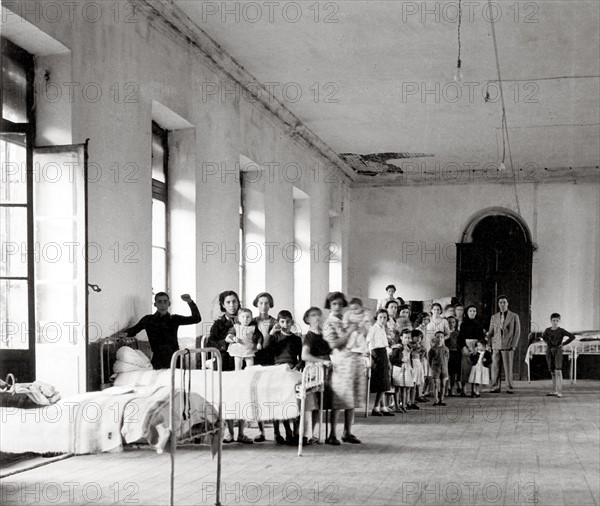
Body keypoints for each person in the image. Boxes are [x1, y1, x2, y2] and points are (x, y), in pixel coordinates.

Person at [207, 290, 252, 444]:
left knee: (242, 397)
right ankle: (229, 432)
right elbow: (209, 343)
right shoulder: (219, 324)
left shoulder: (246, 320)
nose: (232, 305)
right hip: (226, 363)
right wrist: (224, 343)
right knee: (228, 398)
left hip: (242, 363)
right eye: (228, 302)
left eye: (234, 301)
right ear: (222, 305)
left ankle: (241, 433)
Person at [323, 291, 365, 445]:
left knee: (351, 398)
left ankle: (347, 432)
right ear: (329, 305)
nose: (338, 307)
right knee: (339, 399)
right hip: (340, 362)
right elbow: (333, 344)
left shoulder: (347, 319)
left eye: (340, 304)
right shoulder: (329, 323)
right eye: (334, 304)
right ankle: (332, 433)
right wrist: (350, 332)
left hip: (353, 360)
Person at [120, 292, 200, 369]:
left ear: (169, 303)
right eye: (159, 301)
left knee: (177, 381)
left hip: (175, 357)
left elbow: (196, 319)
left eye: (165, 301)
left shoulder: (174, 319)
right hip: (158, 358)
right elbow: (134, 330)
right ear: (155, 304)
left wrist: (190, 301)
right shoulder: (148, 319)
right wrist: (123, 334)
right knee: (158, 381)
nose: (162, 304)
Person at [266, 309, 303, 445]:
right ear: (278, 322)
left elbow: (302, 358)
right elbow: (267, 351)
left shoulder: (296, 339)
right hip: (278, 369)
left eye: (288, 322)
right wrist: (271, 334)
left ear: (292, 322)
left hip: (292, 369)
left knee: (292, 400)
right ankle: (278, 432)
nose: (285, 324)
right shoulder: (275, 338)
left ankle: (293, 432)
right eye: (282, 321)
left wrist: (297, 367)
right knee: (278, 401)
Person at [301, 307, 332, 444]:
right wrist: (323, 361)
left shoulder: (323, 334)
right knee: (311, 403)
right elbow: (304, 355)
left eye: (319, 315)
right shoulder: (310, 335)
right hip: (313, 371)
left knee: (319, 404)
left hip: (325, 372)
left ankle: (312, 433)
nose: (317, 318)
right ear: (307, 319)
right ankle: (307, 434)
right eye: (313, 315)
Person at [250, 292, 277, 442]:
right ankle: (261, 431)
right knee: (258, 396)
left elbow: (272, 343)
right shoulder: (251, 321)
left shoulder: (275, 322)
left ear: (270, 305)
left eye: (266, 303)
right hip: (256, 359)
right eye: (261, 303)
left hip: (271, 359)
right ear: (257, 304)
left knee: (271, 395)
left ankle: (277, 431)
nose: (264, 306)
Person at [488, 296, 521, 394]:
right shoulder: (494, 317)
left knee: (508, 367)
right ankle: (495, 387)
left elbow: (517, 331)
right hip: (496, 345)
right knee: (495, 367)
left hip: (508, 345)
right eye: (500, 302)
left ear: (507, 303)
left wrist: (514, 344)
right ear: (498, 304)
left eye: (504, 302)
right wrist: (489, 344)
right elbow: (491, 332)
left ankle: (509, 387)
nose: (502, 304)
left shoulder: (514, 316)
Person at [366, 309, 394, 416]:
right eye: (380, 317)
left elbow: (385, 346)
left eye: (385, 318)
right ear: (376, 318)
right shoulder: (373, 329)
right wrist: (368, 355)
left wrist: (387, 359)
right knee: (381, 383)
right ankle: (376, 407)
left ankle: (383, 407)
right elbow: (367, 342)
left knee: (384, 383)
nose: (383, 320)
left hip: (383, 354)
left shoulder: (383, 329)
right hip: (376, 355)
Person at [542, 313, 576, 398]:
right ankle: (554, 390)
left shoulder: (561, 330)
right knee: (552, 371)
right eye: (553, 320)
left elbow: (572, 337)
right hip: (549, 351)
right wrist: (548, 344)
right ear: (551, 321)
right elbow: (544, 337)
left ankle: (560, 392)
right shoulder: (547, 330)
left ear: (559, 321)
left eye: (557, 321)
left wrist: (563, 344)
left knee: (558, 370)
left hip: (558, 351)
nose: (555, 322)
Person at [458, 304, 486, 396]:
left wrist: (478, 348)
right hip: (466, 346)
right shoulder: (463, 324)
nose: (472, 313)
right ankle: (463, 390)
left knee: (476, 368)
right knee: (465, 369)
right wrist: (464, 348)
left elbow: (482, 337)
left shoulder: (479, 324)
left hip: (476, 346)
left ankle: (475, 390)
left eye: (474, 311)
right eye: (470, 311)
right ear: (467, 312)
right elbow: (461, 338)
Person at [390, 328, 414, 412]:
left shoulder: (409, 347)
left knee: (405, 388)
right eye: (405, 337)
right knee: (398, 388)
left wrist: (412, 368)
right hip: (399, 369)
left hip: (407, 368)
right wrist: (401, 361)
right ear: (401, 337)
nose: (407, 339)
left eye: (408, 337)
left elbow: (410, 358)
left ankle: (403, 405)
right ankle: (396, 406)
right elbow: (392, 359)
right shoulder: (398, 347)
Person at [428, 331, 449, 406]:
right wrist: (432, 367)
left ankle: (441, 399)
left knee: (443, 384)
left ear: (444, 338)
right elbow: (429, 359)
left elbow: (447, 359)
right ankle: (436, 399)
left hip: (444, 369)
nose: (439, 339)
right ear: (435, 338)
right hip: (436, 369)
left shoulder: (446, 349)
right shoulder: (433, 349)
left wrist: (445, 367)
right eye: (437, 337)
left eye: (441, 337)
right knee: (436, 384)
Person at [445, 316, 461, 396]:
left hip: (456, 353)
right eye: (449, 322)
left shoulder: (458, 333)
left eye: (453, 322)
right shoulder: (445, 333)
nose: (451, 324)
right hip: (447, 354)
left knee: (454, 373)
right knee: (447, 372)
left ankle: (452, 389)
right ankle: (446, 390)